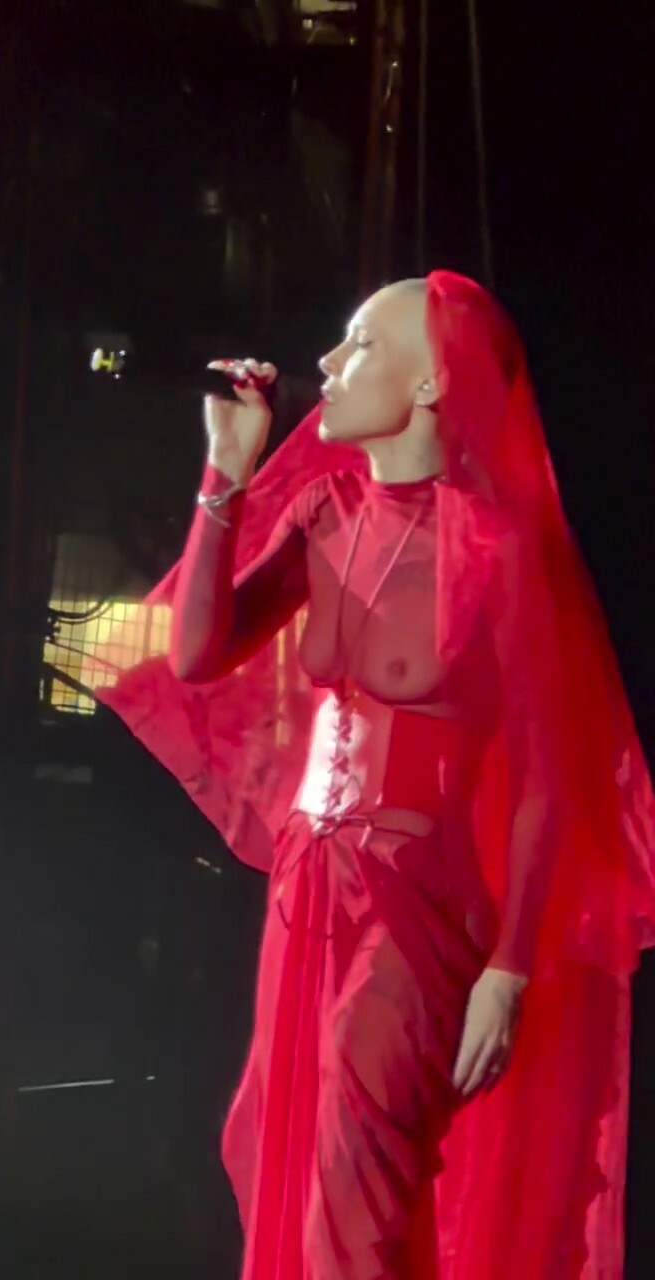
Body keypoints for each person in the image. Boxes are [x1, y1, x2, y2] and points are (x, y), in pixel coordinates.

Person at [93, 271, 655, 1279]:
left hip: (417, 908)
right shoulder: (325, 510)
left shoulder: (503, 548)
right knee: (287, 1154)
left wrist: (509, 972)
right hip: (307, 889)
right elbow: (197, 654)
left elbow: (547, 779)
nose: (327, 363)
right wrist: (226, 471)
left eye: (360, 345)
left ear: (433, 382)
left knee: (354, 1192)